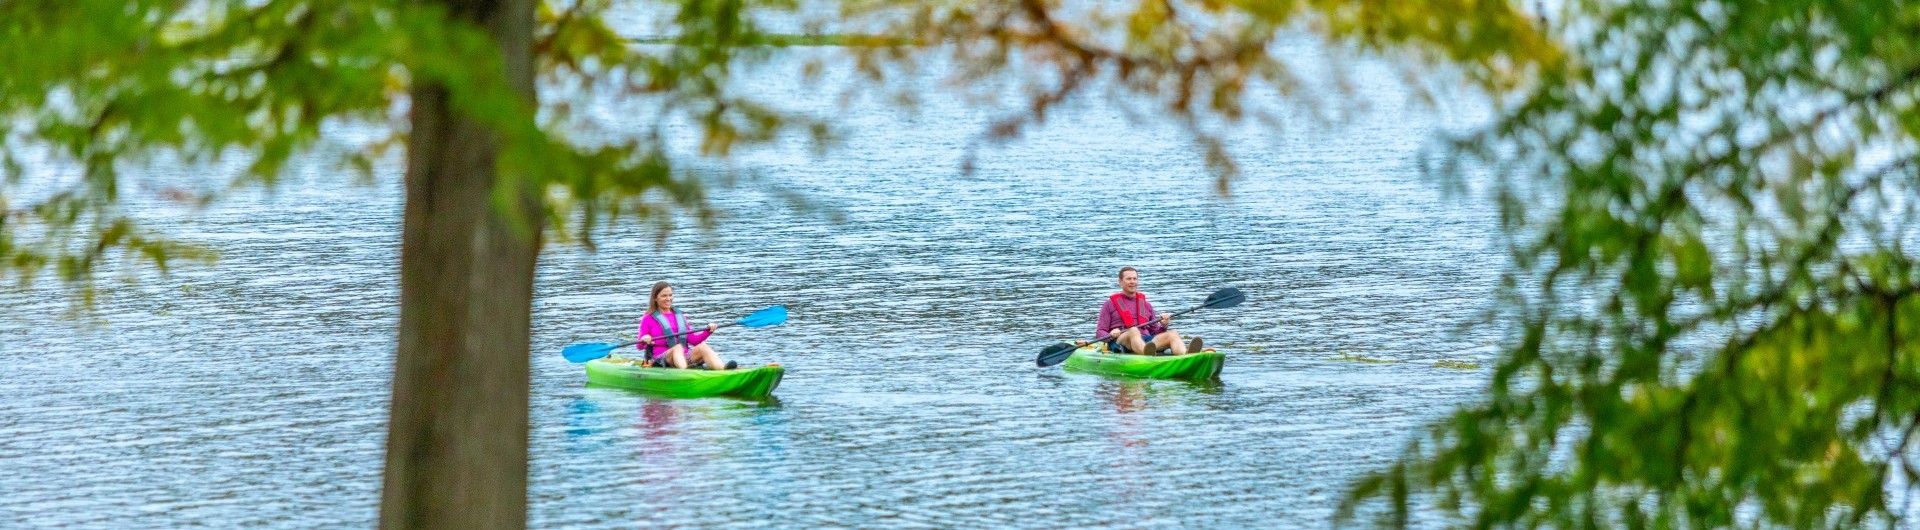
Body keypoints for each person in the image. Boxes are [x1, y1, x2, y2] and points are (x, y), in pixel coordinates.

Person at [1096, 267, 1199, 355]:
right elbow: (1100, 332)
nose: (1132, 282)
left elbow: (1155, 332)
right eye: (1128, 279)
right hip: (1121, 342)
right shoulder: (1109, 304)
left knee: (1173, 334)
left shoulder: (1146, 305)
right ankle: (1146, 354)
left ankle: (1186, 355)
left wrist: (1164, 326)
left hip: (1146, 340)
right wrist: (1111, 333)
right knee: (1133, 330)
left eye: (1135, 279)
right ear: (1120, 282)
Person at [637, 281, 736, 370]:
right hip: (661, 359)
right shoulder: (648, 318)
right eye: (664, 296)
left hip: (684, 357)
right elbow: (639, 346)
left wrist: (708, 331)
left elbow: (694, 340)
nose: (668, 299)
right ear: (655, 298)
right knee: (677, 347)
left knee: (703, 347)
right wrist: (644, 339)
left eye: (670, 295)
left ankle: (722, 369)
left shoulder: (680, 315)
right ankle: (686, 372)